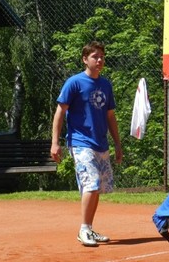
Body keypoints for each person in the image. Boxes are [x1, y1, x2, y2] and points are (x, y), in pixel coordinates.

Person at [51, 40, 123, 247]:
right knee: (91, 183)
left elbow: (110, 116)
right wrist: (55, 143)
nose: (99, 60)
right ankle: (83, 230)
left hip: (101, 143)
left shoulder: (106, 85)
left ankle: (89, 228)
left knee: (97, 187)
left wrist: (117, 144)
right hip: (80, 142)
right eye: (95, 56)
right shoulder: (74, 83)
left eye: (102, 57)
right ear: (85, 59)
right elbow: (60, 112)